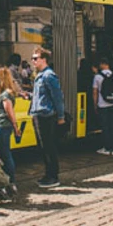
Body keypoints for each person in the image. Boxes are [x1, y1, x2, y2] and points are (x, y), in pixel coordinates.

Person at [29, 47, 65, 188]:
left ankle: (53, 176)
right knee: (43, 147)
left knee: (48, 146)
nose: (33, 61)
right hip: (38, 114)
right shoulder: (40, 75)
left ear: (44, 59)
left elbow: (58, 97)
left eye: (35, 58)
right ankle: (48, 174)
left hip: (46, 115)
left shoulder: (49, 76)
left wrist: (61, 116)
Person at [0, 67, 21, 195]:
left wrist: (15, 127)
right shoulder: (4, 93)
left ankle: (10, 181)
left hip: (2, 126)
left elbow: (9, 111)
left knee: (5, 154)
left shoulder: (5, 95)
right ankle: (8, 180)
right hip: (2, 126)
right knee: (4, 154)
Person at [93, 58, 113, 156]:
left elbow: (95, 92)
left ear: (102, 64)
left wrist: (95, 105)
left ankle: (106, 147)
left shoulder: (97, 77)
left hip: (102, 105)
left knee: (105, 127)